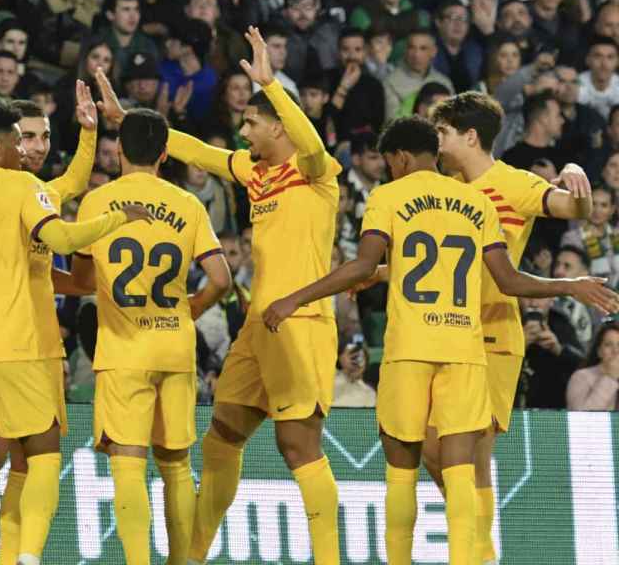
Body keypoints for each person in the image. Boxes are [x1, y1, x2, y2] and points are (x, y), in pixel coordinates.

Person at [264, 115, 619, 565]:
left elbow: (359, 264)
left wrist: (295, 298)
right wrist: (568, 284)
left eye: (389, 161)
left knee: (401, 470)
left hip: (409, 350)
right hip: (465, 351)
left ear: (400, 157)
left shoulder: (388, 195)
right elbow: (509, 280)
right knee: (460, 470)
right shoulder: (475, 203)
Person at [99, 25, 342, 564]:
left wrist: (271, 84)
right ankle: (190, 558)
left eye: (253, 123)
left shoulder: (315, 173)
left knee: (297, 445)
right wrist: (132, 124)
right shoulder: (255, 174)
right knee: (222, 435)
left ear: (279, 124)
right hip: (259, 324)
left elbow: (313, 144)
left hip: (301, 322)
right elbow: (202, 153)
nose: (245, 130)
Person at [0, 98, 149, 565]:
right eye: (18, 140)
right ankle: (29, 557)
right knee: (43, 456)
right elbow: (62, 240)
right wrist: (120, 217)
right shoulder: (20, 185)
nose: (25, 149)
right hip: (16, 344)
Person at [425, 90, 595, 564]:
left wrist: (577, 178)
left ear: (470, 136)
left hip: (495, 336)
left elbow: (573, 210)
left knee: (474, 456)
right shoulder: (444, 186)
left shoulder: (513, 183)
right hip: (444, 333)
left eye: (442, 133)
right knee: (432, 450)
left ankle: (477, 557)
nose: (436, 141)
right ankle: (477, 548)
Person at [71, 107, 231, 564]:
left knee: (128, 463)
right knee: (177, 466)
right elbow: (220, 278)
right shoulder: (188, 203)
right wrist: (189, 310)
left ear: (118, 149)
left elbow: (83, 281)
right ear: (165, 154)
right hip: (175, 345)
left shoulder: (97, 202)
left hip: (123, 348)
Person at [567, 319, 619, 411]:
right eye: (608, 345)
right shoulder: (581, 377)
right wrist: (610, 378)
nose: (615, 351)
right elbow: (583, 418)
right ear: (599, 351)